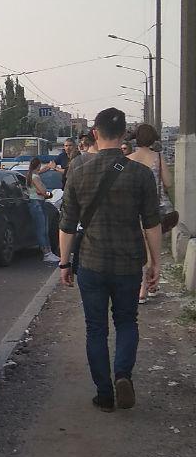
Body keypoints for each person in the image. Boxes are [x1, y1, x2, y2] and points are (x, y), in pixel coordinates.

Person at [59, 107, 161, 411]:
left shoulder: (77, 168)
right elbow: (152, 224)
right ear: (124, 136)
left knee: (96, 329)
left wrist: (64, 263)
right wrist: (155, 263)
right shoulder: (141, 174)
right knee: (127, 321)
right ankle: (123, 375)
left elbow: (66, 224)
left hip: (91, 262)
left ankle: (104, 394)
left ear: (94, 134)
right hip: (129, 263)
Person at [128, 122, 175, 302]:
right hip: (155, 209)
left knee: (142, 248)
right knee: (154, 249)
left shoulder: (129, 159)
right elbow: (169, 183)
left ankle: (142, 288)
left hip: (134, 210)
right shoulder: (158, 157)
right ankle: (150, 284)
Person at [26, 158, 59, 263]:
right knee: (42, 229)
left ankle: (48, 252)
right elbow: (43, 191)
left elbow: (40, 172)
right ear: (38, 165)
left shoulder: (31, 174)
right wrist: (49, 194)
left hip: (36, 202)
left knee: (43, 228)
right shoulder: (35, 177)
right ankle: (46, 253)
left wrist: (48, 167)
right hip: (37, 203)